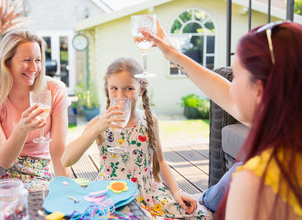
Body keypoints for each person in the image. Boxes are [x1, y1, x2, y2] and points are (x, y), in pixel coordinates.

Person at [143, 21, 302, 219]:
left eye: (235, 77)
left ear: (260, 91)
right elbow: (226, 94)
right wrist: (173, 55)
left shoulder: (253, 184)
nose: (231, 86)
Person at [61, 57, 212, 219]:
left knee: (203, 215)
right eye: (114, 88)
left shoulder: (149, 120)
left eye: (128, 88)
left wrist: (176, 191)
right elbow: (66, 160)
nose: (120, 95)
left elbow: (160, 161)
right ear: (107, 88)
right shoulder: (99, 123)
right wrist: (97, 128)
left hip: (146, 191)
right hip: (112, 194)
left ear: (141, 89)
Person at [0, 30, 70, 196]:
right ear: (6, 62)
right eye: (27, 60)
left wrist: (67, 188)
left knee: (34, 205)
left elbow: (58, 149)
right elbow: (3, 160)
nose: (35, 68)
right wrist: (22, 129)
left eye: (38, 60)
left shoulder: (54, 90)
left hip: (35, 169)